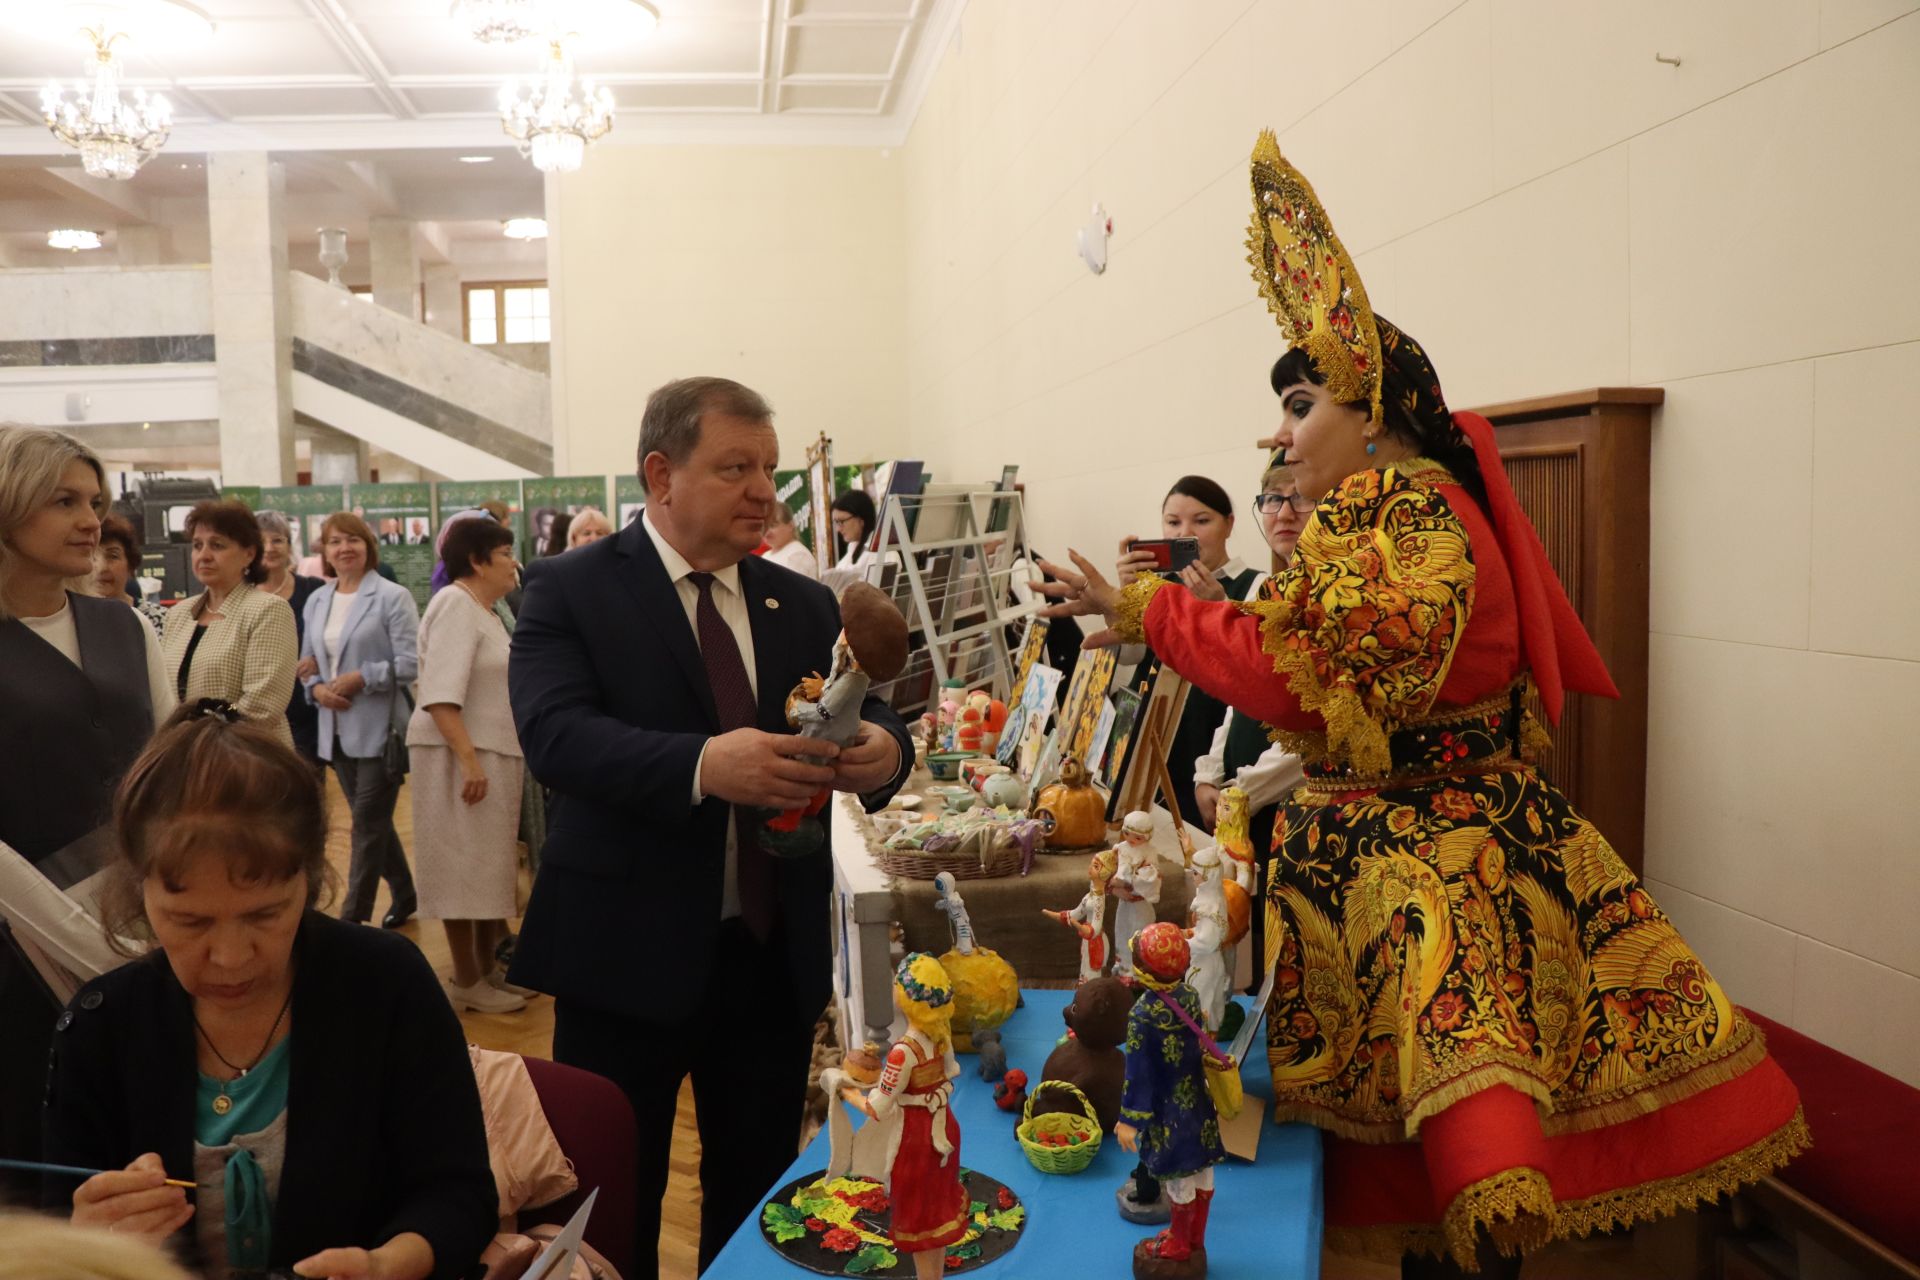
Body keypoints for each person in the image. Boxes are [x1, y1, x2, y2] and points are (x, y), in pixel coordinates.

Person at [1036, 133, 1806, 1278]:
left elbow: (1301, 673)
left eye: (1303, 405)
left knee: (1465, 1141)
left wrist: (1149, 609)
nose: (1285, 437)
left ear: (1375, 411)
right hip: (1431, 841)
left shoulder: (1399, 509)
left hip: (1436, 867)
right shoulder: (1414, 506)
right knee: (1446, 1148)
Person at [507, 376, 912, 1277]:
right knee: (612, 1200)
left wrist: (883, 752)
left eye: (768, 468)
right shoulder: (570, 589)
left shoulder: (802, 602)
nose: (765, 490)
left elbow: (876, 711)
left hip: (768, 962)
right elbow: (557, 737)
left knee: (758, 1198)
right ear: (661, 475)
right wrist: (702, 765)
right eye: (736, 467)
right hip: (625, 959)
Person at [41, 703, 496, 1279]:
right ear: (139, 888)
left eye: (265, 915)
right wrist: (84, 1242)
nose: (231, 958)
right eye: (191, 922)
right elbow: (58, 1222)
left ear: (308, 878)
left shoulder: (385, 985)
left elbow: (458, 1192)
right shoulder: (99, 1028)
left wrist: (387, 1264)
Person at [0, 426, 173, 1197]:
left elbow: (173, 765)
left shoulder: (126, 624)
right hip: (19, 946)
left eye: (96, 502)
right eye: (64, 500)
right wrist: (79, 939)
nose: (90, 519)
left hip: (147, 923)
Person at [408, 517, 526, 1014]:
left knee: (486, 870)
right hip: (458, 755)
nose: (513, 563)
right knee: (460, 868)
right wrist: (469, 761)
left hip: (488, 752)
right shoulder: (455, 603)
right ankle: (466, 979)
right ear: (476, 561)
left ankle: (485, 974)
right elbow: (440, 696)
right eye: (503, 553)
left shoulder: (488, 610)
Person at [1112, 475, 1258, 826]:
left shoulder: (1255, 585)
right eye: (1173, 523)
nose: (1184, 534)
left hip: (1211, 748)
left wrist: (1218, 607)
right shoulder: (1156, 587)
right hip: (1150, 746)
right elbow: (1128, 657)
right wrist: (1126, 598)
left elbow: (1253, 665)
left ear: (1229, 525)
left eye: (1202, 521)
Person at [300, 512, 420, 929]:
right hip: (333, 730)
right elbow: (307, 665)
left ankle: (352, 924)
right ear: (325, 552)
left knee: (366, 828)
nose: (344, 548)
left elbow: (409, 664)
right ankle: (405, 893)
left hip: (380, 730)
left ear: (368, 546)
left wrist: (360, 678)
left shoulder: (392, 596)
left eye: (352, 539)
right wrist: (315, 688)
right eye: (334, 542)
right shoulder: (317, 600)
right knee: (376, 824)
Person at [159, 499, 296, 748]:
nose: (204, 555)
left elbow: (261, 706)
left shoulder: (268, 610)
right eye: (197, 546)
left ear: (249, 554)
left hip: (249, 758)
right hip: (186, 755)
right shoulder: (178, 614)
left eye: (217, 545)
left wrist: (202, 733)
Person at [255, 511, 326, 772]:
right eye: (261, 541)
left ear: (289, 545)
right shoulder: (240, 594)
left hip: (307, 710)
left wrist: (319, 661)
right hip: (259, 714)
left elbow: (331, 642)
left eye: (277, 540)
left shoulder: (314, 589)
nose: (269, 548)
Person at [91, 515, 167, 636]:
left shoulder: (163, 621)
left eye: (113, 556)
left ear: (130, 565)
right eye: (92, 557)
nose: (102, 567)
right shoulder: (68, 622)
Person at [761, 499, 817, 578]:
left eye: (773, 526)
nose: (767, 531)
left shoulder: (797, 555)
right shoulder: (766, 555)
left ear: (790, 526)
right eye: (764, 526)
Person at [828, 489, 878, 571]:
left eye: (841, 521)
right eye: (836, 522)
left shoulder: (882, 553)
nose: (838, 529)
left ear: (861, 519)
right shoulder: (849, 553)